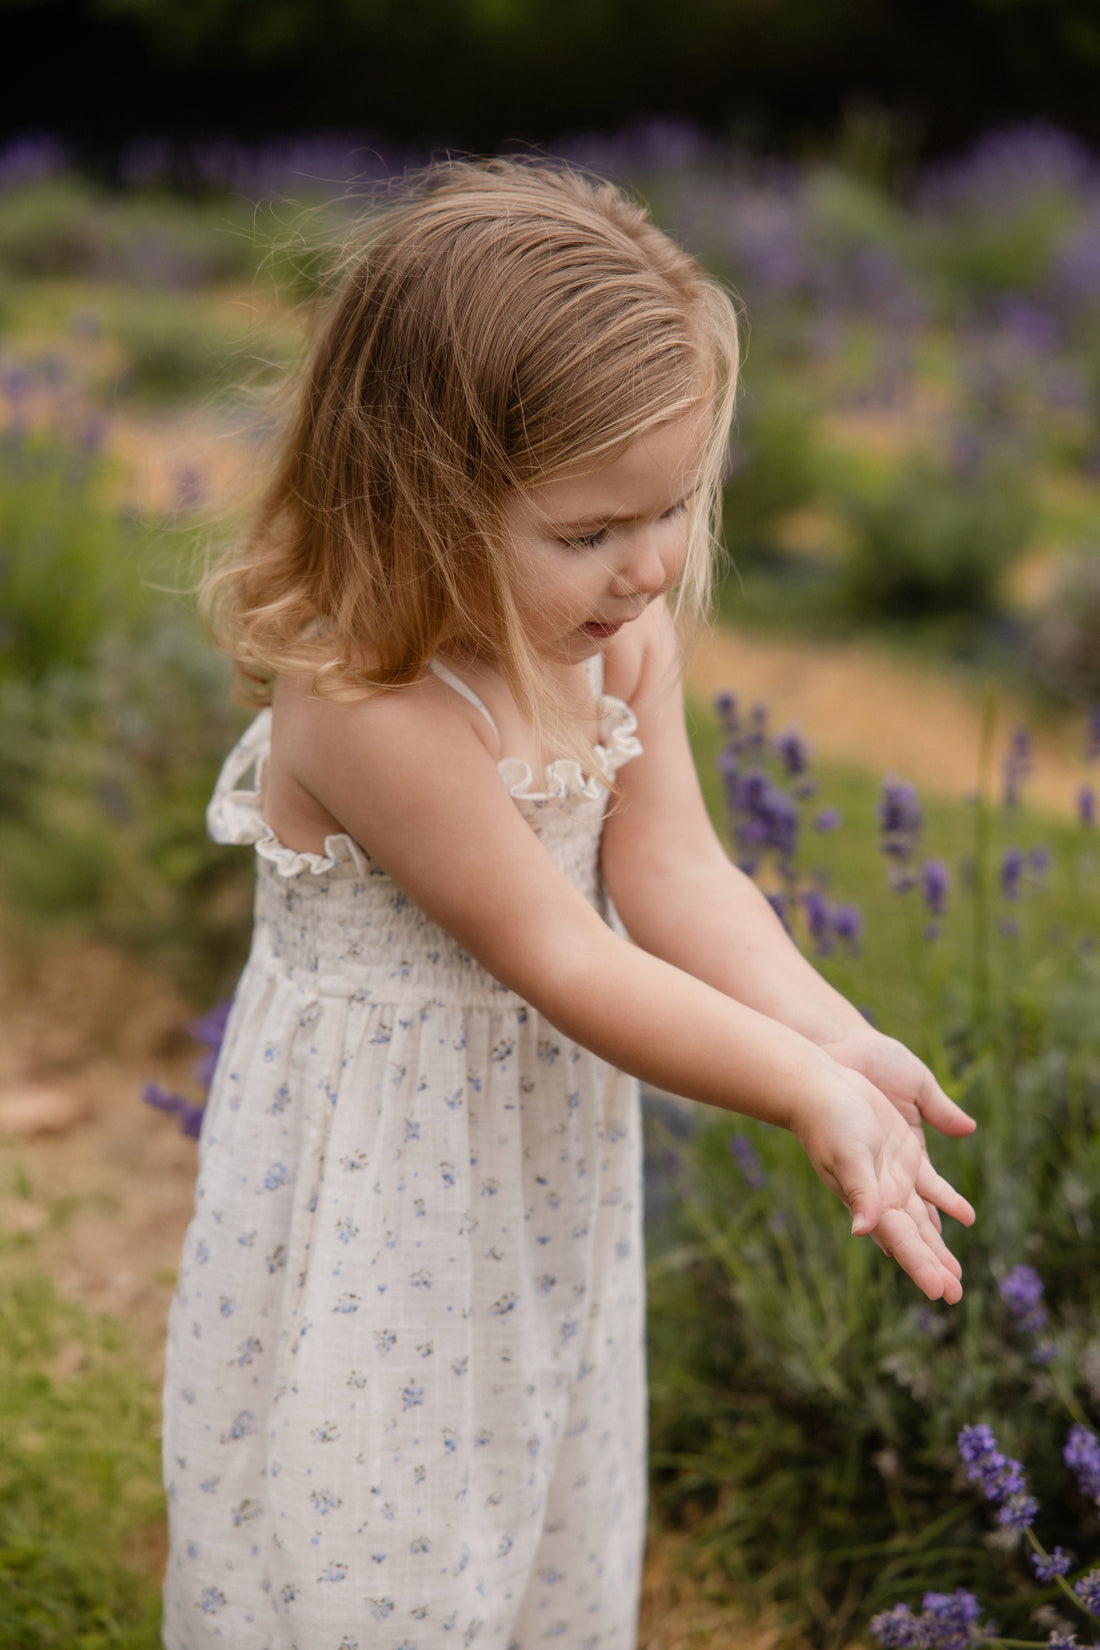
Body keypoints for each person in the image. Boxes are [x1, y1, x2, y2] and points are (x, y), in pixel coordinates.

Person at [161, 158, 975, 1650]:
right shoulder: (370, 703)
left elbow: (678, 874)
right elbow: (561, 953)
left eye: (675, 505)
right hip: (385, 1191)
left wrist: (835, 1034)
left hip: (532, 1172)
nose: (648, 566)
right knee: (381, 1516)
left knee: (528, 1476)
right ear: (419, 494)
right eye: (591, 530)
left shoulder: (615, 642)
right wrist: (796, 1089)